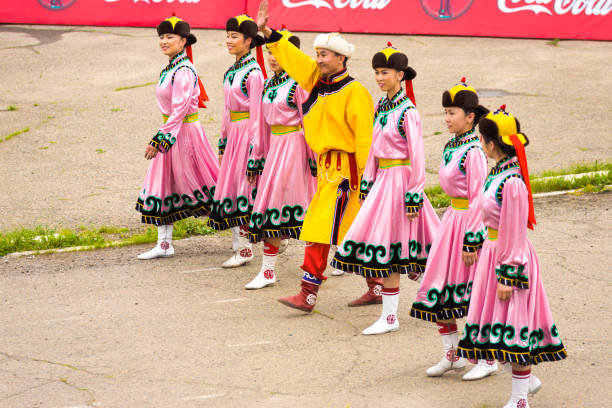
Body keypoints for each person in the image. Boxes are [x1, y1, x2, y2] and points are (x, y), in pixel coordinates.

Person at [257, 0, 384, 311]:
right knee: (338, 230)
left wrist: (366, 180)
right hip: (326, 168)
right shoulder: (316, 79)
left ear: (341, 58)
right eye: (318, 54)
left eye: (324, 55)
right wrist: (267, 32)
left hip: (348, 171)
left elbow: (366, 139)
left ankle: (310, 294)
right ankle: (376, 287)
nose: (318, 59)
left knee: (334, 230)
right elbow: (294, 59)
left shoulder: (356, 92)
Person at [457, 106, 567, 408]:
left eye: (482, 138)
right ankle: (527, 383)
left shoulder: (512, 183)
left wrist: (510, 275)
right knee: (491, 325)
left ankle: (520, 400)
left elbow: (516, 233)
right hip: (493, 254)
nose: (480, 143)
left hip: (508, 259)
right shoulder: (497, 173)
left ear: (492, 144)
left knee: (512, 326)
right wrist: (476, 242)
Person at [331, 43, 439, 335]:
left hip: (401, 183)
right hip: (382, 183)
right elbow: (375, 148)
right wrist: (368, 180)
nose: (379, 78)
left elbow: (417, 156)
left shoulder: (407, 111)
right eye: (377, 72)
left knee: (394, 251)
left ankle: (393, 317)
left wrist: (415, 193)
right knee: (391, 250)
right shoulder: (382, 106)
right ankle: (396, 313)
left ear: (400, 75)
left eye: (386, 72)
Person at [410, 79, 497, 379]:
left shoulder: (473, 151)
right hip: (451, 220)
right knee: (439, 285)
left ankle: (487, 358)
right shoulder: (453, 145)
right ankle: (452, 354)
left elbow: (478, 197)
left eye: (453, 113)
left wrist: (473, 241)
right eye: (445, 112)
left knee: (474, 293)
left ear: (470, 117)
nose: (447, 119)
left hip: (469, 225)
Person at [136, 15, 218, 260]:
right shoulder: (171, 67)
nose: (164, 41)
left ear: (183, 41)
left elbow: (180, 109)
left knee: (204, 184)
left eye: (169, 37)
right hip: (172, 132)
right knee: (164, 185)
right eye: (161, 37)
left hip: (185, 135)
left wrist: (159, 139)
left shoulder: (183, 70)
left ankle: (241, 236)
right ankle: (164, 244)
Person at [244, 29, 317, 289]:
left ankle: (319, 265)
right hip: (275, 148)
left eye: (277, 52)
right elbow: (260, 125)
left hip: (295, 148)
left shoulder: (299, 85)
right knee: (272, 205)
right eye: (269, 52)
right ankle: (268, 271)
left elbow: (310, 124)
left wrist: (314, 159)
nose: (272, 57)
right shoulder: (268, 84)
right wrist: (257, 157)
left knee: (301, 205)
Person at [207, 15, 266, 268]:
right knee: (233, 188)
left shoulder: (254, 73)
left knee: (246, 188)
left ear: (249, 41)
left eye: (234, 36)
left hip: (247, 136)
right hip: (234, 135)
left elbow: (257, 115)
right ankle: (249, 243)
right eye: (227, 36)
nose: (228, 41)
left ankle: (245, 250)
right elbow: (226, 111)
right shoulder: (231, 71)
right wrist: (223, 141)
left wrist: (254, 150)